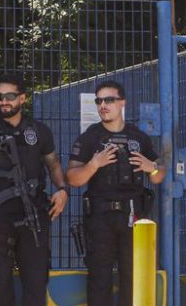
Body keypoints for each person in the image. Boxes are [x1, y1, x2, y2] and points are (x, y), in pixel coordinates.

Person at [0, 73, 68, 306]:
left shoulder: (39, 131)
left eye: (10, 96)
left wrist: (62, 190)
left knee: (36, 284)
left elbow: (53, 165)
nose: (4, 101)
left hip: (34, 216)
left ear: (23, 98)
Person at [66, 80, 163, 306]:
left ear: (122, 103)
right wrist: (94, 164)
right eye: (98, 100)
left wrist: (154, 168)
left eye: (108, 99)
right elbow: (72, 179)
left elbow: (158, 174)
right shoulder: (90, 137)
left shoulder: (138, 138)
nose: (102, 105)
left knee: (133, 277)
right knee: (99, 280)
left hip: (133, 216)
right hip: (100, 220)